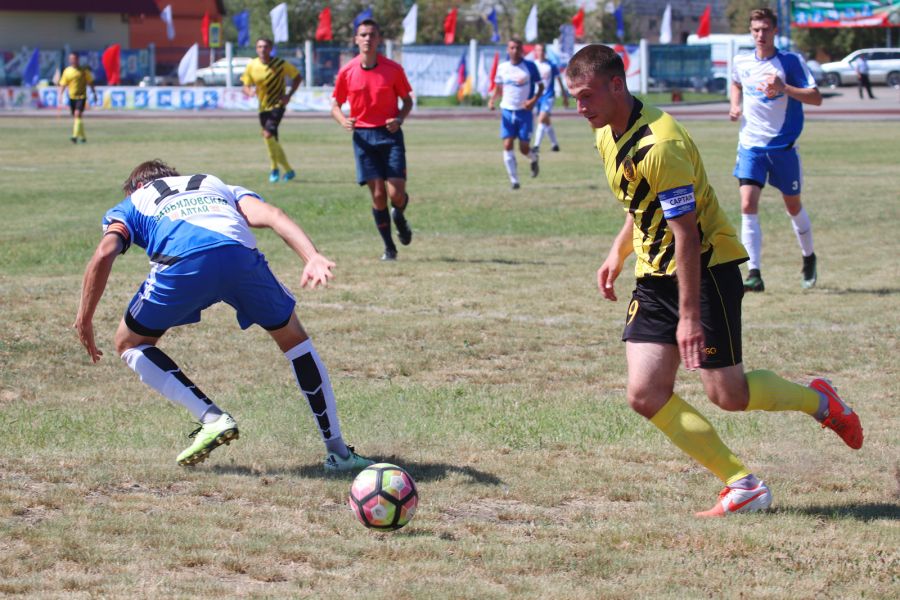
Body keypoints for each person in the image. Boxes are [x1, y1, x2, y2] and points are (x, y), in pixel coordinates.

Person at [565, 44, 862, 517]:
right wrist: (618, 252)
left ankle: (820, 402)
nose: (579, 108)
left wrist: (689, 317)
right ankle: (743, 485)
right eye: (575, 98)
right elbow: (640, 202)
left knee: (728, 395)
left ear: (617, 85)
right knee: (645, 394)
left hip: (705, 270)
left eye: (586, 96)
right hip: (655, 276)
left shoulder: (661, 144)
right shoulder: (607, 131)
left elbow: (687, 233)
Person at [74, 159, 374, 472]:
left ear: (138, 186)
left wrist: (84, 317)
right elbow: (273, 215)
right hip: (238, 256)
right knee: (295, 341)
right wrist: (311, 256)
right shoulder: (215, 184)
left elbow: (105, 251)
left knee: (129, 343)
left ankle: (212, 418)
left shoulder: (133, 201)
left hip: (181, 264)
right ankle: (338, 452)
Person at [729, 8, 822, 292]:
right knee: (747, 203)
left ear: (775, 31)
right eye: (756, 30)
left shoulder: (790, 61)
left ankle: (809, 256)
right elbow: (736, 82)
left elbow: (816, 97)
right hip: (751, 146)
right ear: (751, 32)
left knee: (792, 205)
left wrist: (784, 88)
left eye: (766, 29)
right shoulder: (741, 61)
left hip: (783, 148)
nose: (761, 35)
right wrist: (735, 105)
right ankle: (754, 273)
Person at [331, 19, 414, 262]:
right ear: (356, 39)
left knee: (395, 193)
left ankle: (399, 214)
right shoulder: (347, 71)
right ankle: (390, 248)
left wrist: (399, 118)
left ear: (379, 39)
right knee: (378, 195)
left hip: (390, 134)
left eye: (372, 35)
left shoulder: (393, 69)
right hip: (363, 137)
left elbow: (407, 101)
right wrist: (343, 120)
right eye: (363, 34)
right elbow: (335, 104)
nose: (367, 39)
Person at [241, 38, 302, 183]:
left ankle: (274, 169)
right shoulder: (252, 65)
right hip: (262, 107)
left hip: (277, 105)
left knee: (267, 135)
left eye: (265, 46)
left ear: (271, 48)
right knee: (271, 139)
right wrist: (249, 92)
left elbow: (297, 77)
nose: (262, 49)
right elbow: (245, 85)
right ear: (256, 49)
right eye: (259, 46)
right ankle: (289, 170)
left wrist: (288, 95)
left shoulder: (280, 64)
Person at [488, 38, 544, 190]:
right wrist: (492, 100)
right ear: (508, 50)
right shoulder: (502, 68)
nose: (515, 51)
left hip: (524, 113)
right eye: (512, 48)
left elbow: (541, 87)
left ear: (522, 50)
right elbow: (498, 88)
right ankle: (514, 181)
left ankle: (533, 158)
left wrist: (533, 100)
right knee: (507, 144)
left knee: (524, 148)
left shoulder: (530, 66)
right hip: (507, 111)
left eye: (517, 48)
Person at [531, 43, 569, 153]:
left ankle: (536, 146)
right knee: (546, 121)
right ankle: (555, 144)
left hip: (548, 96)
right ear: (535, 52)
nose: (540, 52)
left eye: (542, 50)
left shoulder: (551, 65)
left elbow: (559, 80)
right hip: (537, 96)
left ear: (545, 52)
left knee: (541, 119)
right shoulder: (533, 65)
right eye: (538, 50)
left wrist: (564, 95)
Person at [58, 52, 97, 144]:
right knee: (77, 117)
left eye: (74, 58)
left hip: (81, 96)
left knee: (77, 114)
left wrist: (94, 93)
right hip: (72, 97)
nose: (73, 60)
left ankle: (74, 137)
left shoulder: (83, 71)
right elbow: (63, 84)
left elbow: (90, 82)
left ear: (78, 59)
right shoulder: (67, 71)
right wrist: (60, 95)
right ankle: (83, 137)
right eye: (71, 58)